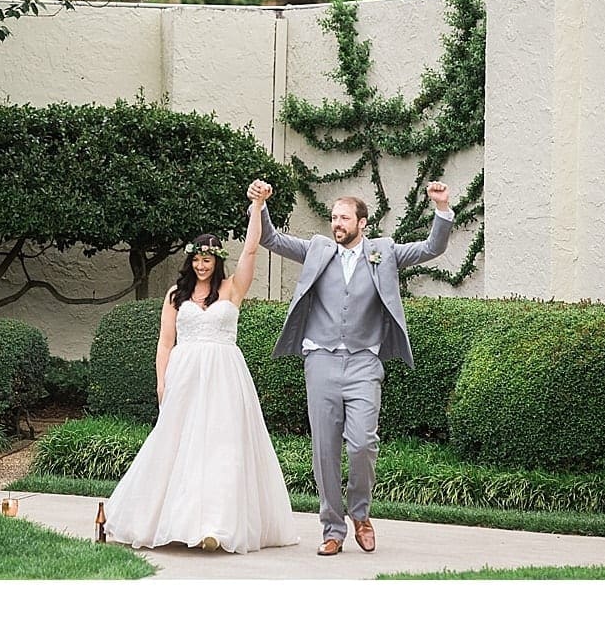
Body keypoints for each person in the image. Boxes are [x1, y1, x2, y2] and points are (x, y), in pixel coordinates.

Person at [253, 178, 453, 556]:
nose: (336, 224)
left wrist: (441, 207)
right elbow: (273, 240)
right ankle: (332, 528)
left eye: (344, 218)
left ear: (363, 223)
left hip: (364, 361)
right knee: (325, 449)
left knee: (362, 443)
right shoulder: (317, 249)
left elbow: (432, 248)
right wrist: (261, 204)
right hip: (321, 360)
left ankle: (361, 514)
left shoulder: (384, 252)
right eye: (333, 217)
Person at [107, 192, 298, 554]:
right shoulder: (175, 296)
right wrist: (162, 382)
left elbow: (252, 251)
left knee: (223, 447)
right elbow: (165, 344)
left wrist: (257, 209)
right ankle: (173, 520)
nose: (201, 265)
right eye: (196, 259)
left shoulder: (232, 288)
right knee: (178, 447)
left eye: (207, 259)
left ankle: (216, 527)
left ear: (217, 261)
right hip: (186, 376)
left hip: (226, 377)